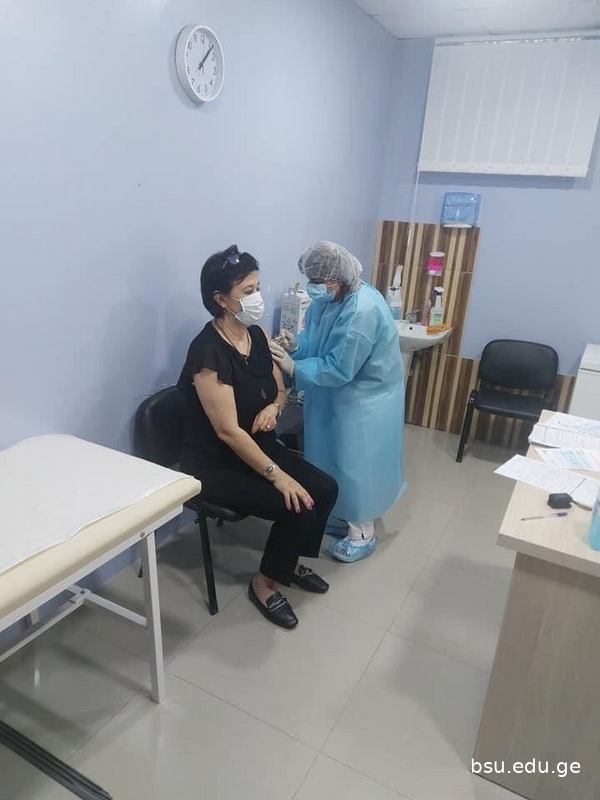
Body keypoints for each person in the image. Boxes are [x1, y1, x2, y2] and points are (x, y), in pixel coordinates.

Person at [177, 244, 338, 630]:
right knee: (297, 504)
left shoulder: (257, 336)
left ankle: (288, 561)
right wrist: (278, 476)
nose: (257, 298)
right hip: (215, 463)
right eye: (247, 291)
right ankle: (264, 584)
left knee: (325, 489)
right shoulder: (207, 353)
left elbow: (280, 390)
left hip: (258, 447)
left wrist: (275, 409)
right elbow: (227, 431)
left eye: (258, 288)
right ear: (220, 299)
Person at [269, 241, 405, 563]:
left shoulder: (362, 311)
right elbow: (318, 342)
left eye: (319, 281)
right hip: (332, 395)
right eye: (312, 280)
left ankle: (362, 530)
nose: (314, 287)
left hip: (364, 400)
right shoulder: (328, 300)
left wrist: (294, 367)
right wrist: (297, 346)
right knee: (329, 457)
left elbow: (339, 367)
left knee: (357, 464)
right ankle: (341, 514)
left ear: (338, 279)